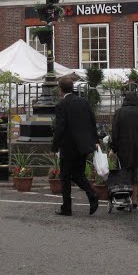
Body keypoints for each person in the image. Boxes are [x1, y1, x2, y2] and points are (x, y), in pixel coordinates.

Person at [51, 77, 100, 216]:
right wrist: (95, 140)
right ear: (72, 87)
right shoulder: (83, 102)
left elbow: (60, 128)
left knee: (66, 177)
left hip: (69, 146)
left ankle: (67, 207)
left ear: (60, 89)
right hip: (83, 145)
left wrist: (54, 147)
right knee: (78, 174)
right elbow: (92, 121)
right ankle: (92, 195)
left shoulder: (62, 105)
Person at [110, 91, 138, 209]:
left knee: (124, 174)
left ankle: (123, 199)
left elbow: (115, 132)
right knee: (136, 175)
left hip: (123, 148)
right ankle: (135, 199)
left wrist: (114, 148)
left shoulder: (119, 113)